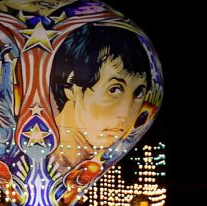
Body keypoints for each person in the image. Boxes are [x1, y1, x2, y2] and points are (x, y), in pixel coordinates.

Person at [50, 23, 152, 172]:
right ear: (72, 86)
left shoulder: (97, 160)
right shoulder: (29, 149)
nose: (125, 113)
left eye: (138, 93)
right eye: (114, 89)